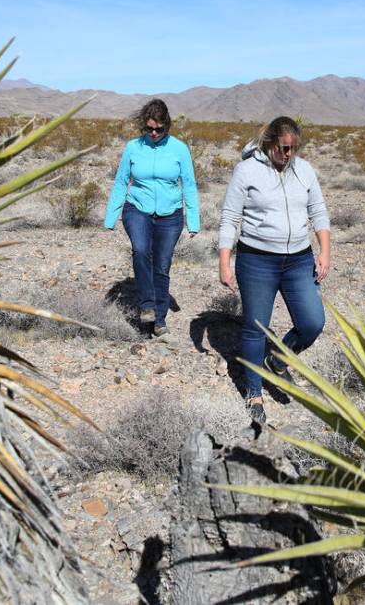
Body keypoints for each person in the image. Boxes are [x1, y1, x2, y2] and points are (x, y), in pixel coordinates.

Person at [217, 117, 331, 425]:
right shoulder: (247, 171)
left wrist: (325, 251)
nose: (289, 154)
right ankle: (254, 391)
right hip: (257, 260)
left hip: (298, 260)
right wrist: (224, 261)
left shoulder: (304, 170)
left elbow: (318, 210)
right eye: (284, 148)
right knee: (256, 327)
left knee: (312, 322)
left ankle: (278, 359)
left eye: (294, 148)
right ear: (269, 144)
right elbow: (230, 217)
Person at [104, 99, 200, 336]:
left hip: (171, 215)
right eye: (149, 129)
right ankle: (147, 305)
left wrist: (193, 220)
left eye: (159, 129)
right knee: (140, 250)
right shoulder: (133, 147)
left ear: (167, 125)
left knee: (162, 266)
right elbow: (120, 181)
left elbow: (188, 184)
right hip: (137, 208)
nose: (154, 133)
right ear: (143, 127)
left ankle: (160, 319)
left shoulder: (179, 149)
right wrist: (111, 216)